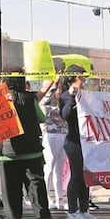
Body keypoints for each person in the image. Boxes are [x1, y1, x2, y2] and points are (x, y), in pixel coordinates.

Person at [0, 65, 53, 219]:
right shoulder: (29, 98)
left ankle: (13, 217)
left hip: (7, 153)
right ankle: (44, 215)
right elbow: (41, 118)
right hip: (32, 151)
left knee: (10, 187)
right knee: (35, 185)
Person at [58, 65, 99, 219]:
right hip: (74, 141)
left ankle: (83, 209)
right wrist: (71, 97)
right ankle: (72, 211)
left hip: (86, 141)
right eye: (83, 76)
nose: (86, 79)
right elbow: (65, 115)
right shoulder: (65, 96)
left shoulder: (86, 95)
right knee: (76, 176)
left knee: (85, 177)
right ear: (77, 77)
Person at [40, 75, 68, 211]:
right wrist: (53, 85)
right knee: (49, 168)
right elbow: (43, 100)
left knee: (59, 169)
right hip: (51, 134)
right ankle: (46, 197)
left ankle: (60, 199)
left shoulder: (66, 95)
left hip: (64, 133)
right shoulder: (49, 97)